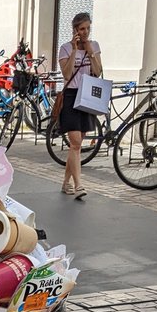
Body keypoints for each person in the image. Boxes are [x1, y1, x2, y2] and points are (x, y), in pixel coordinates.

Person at [57, 12, 102, 201]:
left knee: (77, 144)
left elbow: (98, 72)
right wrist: (75, 50)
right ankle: (79, 185)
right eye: (82, 29)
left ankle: (66, 181)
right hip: (71, 95)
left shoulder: (95, 46)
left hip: (88, 95)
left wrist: (90, 51)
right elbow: (66, 75)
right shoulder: (65, 48)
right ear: (75, 29)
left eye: (88, 28)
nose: (85, 32)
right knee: (75, 143)